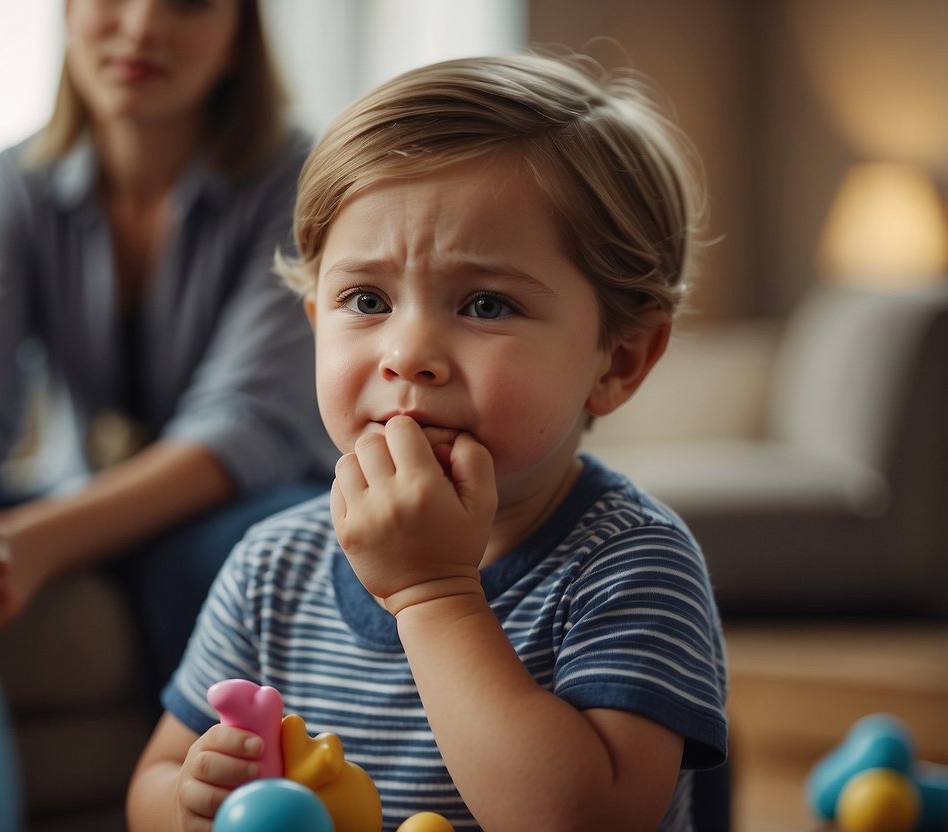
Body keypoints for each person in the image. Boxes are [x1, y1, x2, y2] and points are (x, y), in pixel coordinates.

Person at [127, 51, 728, 832]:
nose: (407, 353)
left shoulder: (629, 564)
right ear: (314, 324)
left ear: (616, 361)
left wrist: (431, 594)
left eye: (484, 304)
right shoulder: (271, 565)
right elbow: (151, 781)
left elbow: (586, 819)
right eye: (366, 299)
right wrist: (191, 802)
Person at [0, 0, 336, 702]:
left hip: (252, 496)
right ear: (67, 12)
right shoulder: (16, 181)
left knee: (232, 550)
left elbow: (244, 429)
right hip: (80, 496)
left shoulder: (299, 177)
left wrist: (31, 544)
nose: (142, 26)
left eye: (187, 4)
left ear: (238, 41)